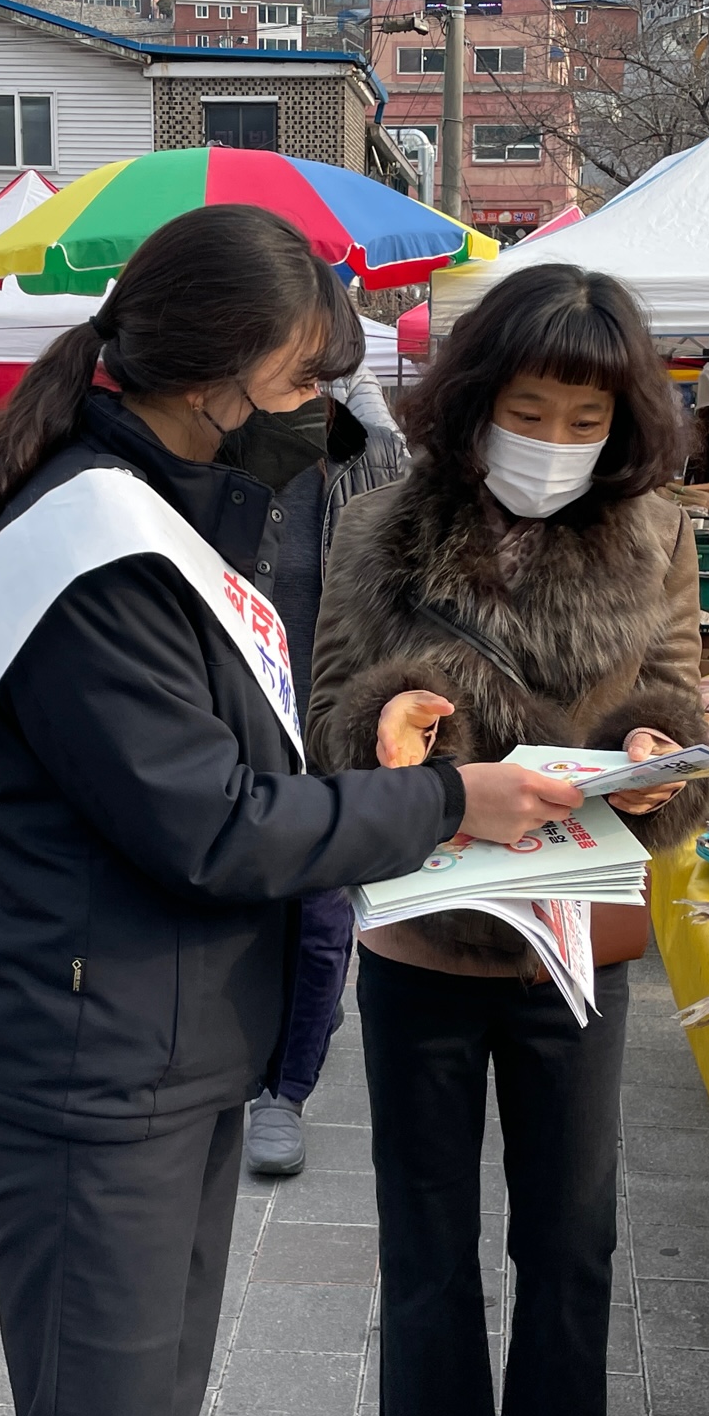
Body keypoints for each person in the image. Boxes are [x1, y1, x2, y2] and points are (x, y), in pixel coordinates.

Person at [0, 204, 585, 1416]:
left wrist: (370, 771)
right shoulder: (98, 550)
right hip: (90, 1064)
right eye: (300, 382)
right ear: (209, 377)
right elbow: (213, 826)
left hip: (156, 1045)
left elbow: (219, 770)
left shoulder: (158, 524)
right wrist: (447, 801)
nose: (320, 416)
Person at [306, 264, 709, 1416]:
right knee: (424, 1228)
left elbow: (676, 694)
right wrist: (387, 725)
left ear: (623, 422)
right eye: (529, 412)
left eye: (585, 421)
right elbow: (328, 709)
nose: (553, 442)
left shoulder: (655, 532)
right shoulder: (379, 526)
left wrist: (653, 757)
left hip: (576, 941)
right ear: (476, 398)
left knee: (573, 1234)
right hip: (425, 932)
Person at [219, 365, 410, 1175]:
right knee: (244, 904)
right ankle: (256, 1043)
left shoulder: (374, 462)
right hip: (235, 725)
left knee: (322, 917)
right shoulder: (214, 456)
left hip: (332, 727)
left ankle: (284, 1088)